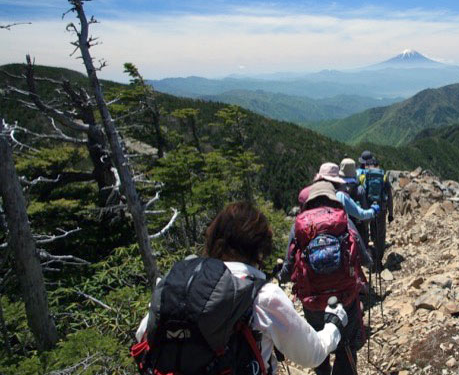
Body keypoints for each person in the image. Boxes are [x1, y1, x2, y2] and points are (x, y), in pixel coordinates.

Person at [133, 202, 347, 374]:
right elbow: (312, 354)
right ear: (259, 248)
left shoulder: (175, 284)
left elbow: (142, 335)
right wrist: (333, 325)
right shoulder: (262, 295)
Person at [278, 181, 372, 375]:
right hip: (345, 296)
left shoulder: (300, 224)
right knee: (346, 345)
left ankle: (322, 371)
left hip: (313, 300)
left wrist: (281, 277)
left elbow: (289, 265)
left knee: (319, 342)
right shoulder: (342, 219)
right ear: (331, 199)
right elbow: (362, 256)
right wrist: (371, 262)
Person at [357, 150, 394, 271]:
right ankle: (379, 260)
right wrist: (391, 213)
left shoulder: (363, 176)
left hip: (368, 210)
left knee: (369, 233)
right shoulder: (383, 177)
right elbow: (389, 196)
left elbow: (360, 194)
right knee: (380, 235)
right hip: (381, 210)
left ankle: (370, 259)